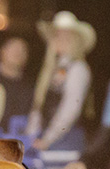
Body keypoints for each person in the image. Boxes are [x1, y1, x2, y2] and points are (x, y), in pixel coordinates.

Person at [27, 11, 96, 152]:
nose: (61, 39)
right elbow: (39, 106)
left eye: (67, 36)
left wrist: (47, 139)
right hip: (46, 139)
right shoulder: (51, 69)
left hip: (66, 140)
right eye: (57, 35)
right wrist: (31, 135)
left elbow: (70, 109)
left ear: (76, 40)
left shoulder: (78, 68)